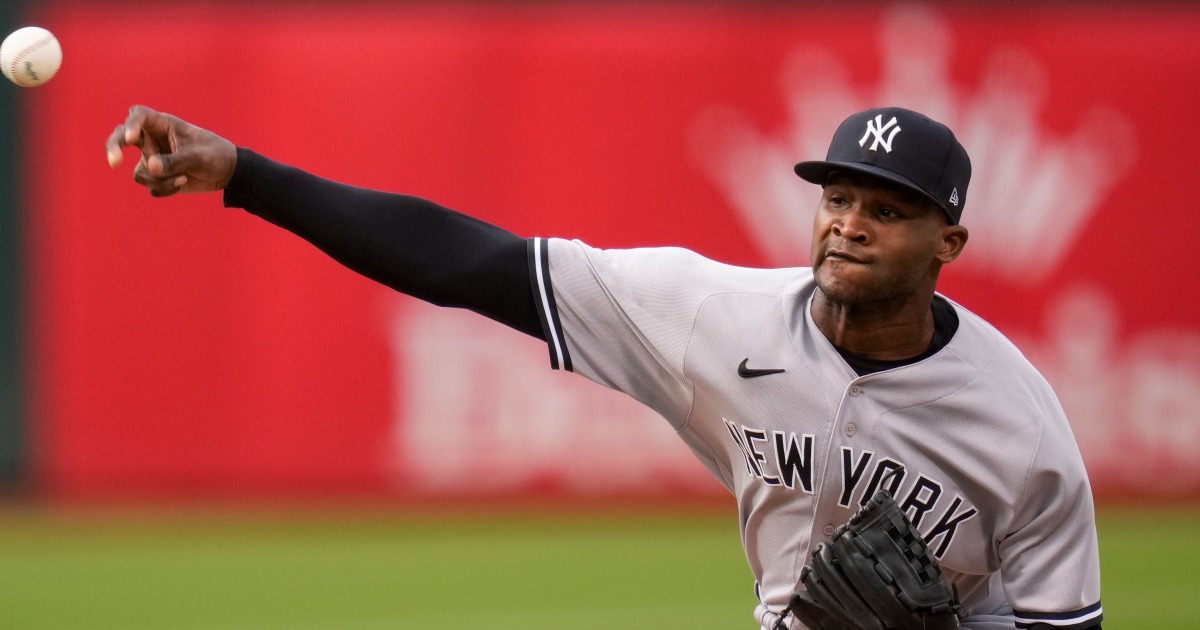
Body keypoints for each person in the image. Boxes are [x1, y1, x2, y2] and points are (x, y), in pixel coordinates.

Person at [105, 105, 1102, 629]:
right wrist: (247, 174)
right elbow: (468, 264)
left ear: (948, 244)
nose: (849, 224)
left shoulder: (1020, 429)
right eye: (838, 197)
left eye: (886, 211)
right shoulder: (713, 312)